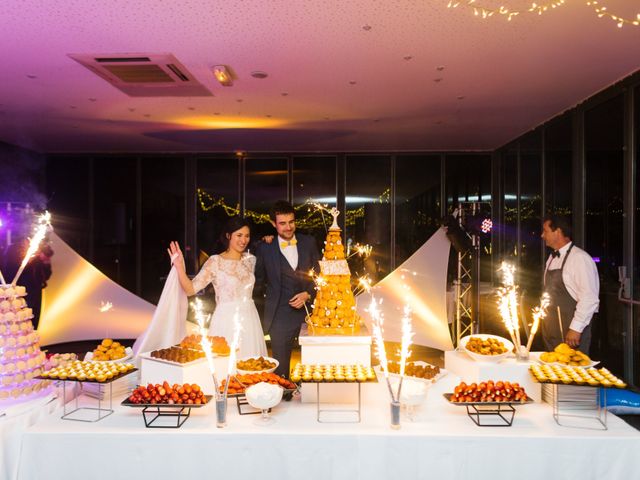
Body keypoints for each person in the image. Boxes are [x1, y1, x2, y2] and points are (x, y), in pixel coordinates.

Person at [168, 216, 267, 358]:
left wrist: (269, 240)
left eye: (247, 236)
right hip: (226, 320)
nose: (243, 240)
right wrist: (179, 267)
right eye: (239, 235)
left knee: (251, 365)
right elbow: (190, 289)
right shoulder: (215, 261)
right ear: (228, 236)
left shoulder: (251, 260)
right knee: (224, 366)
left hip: (250, 318)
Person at [254, 201, 321, 378]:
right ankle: (285, 396)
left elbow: (320, 276)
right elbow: (258, 282)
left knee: (314, 362)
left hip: (310, 314)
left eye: (291, 222)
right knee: (281, 367)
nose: (288, 227)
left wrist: (309, 294)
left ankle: (310, 397)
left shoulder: (309, 242)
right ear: (273, 224)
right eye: (282, 223)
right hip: (279, 315)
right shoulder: (264, 247)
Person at [540, 214, 599, 354]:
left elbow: (589, 298)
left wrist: (575, 329)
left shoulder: (580, 258)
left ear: (558, 232)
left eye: (545, 231)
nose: (542, 235)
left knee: (573, 374)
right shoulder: (551, 258)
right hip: (551, 331)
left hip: (570, 333)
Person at [2, 236, 53, 330]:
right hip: (17, 293)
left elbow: (46, 275)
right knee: (17, 322)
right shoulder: (13, 250)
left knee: (32, 321)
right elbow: (10, 270)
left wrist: (46, 262)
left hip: (35, 293)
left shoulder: (38, 254)